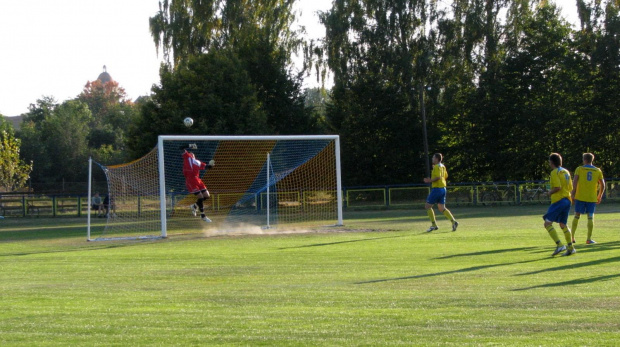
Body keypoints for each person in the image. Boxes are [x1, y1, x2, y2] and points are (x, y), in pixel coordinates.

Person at [543, 153, 575, 256]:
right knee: (563, 224)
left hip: (559, 200)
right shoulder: (566, 171)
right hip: (567, 200)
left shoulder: (554, 172)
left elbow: (557, 187)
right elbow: (570, 188)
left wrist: (548, 193)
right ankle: (570, 248)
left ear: (551, 162)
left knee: (547, 223)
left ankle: (560, 245)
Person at [570, 153, 605, 245]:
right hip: (591, 197)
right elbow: (603, 184)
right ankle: (588, 239)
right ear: (592, 160)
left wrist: (572, 194)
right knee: (590, 217)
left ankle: (572, 237)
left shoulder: (580, 169)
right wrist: (599, 195)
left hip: (580, 196)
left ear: (584, 159)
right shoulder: (597, 170)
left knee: (576, 216)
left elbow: (574, 182)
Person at [423, 153, 458, 232]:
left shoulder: (436, 167)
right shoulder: (442, 166)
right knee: (442, 208)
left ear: (437, 159)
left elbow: (438, 177)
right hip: (443, 188)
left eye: (433, 158)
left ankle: (434, 225)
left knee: (427, 206)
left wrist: (430, 180)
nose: (432, 159)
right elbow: (445, 176)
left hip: (437, 189)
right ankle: (453, 222)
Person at [181, 144, 215, 222]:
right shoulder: (187, 157)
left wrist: (211, 165)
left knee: (207, 195)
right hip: (190, 180)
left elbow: (207, 167)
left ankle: (194, 206)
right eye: (190, 153)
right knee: (200, 197)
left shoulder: (197, 162)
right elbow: (181, 147)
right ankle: (203, 216)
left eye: (192, 154)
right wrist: (189, 145)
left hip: (198, 180)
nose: (191, 154)